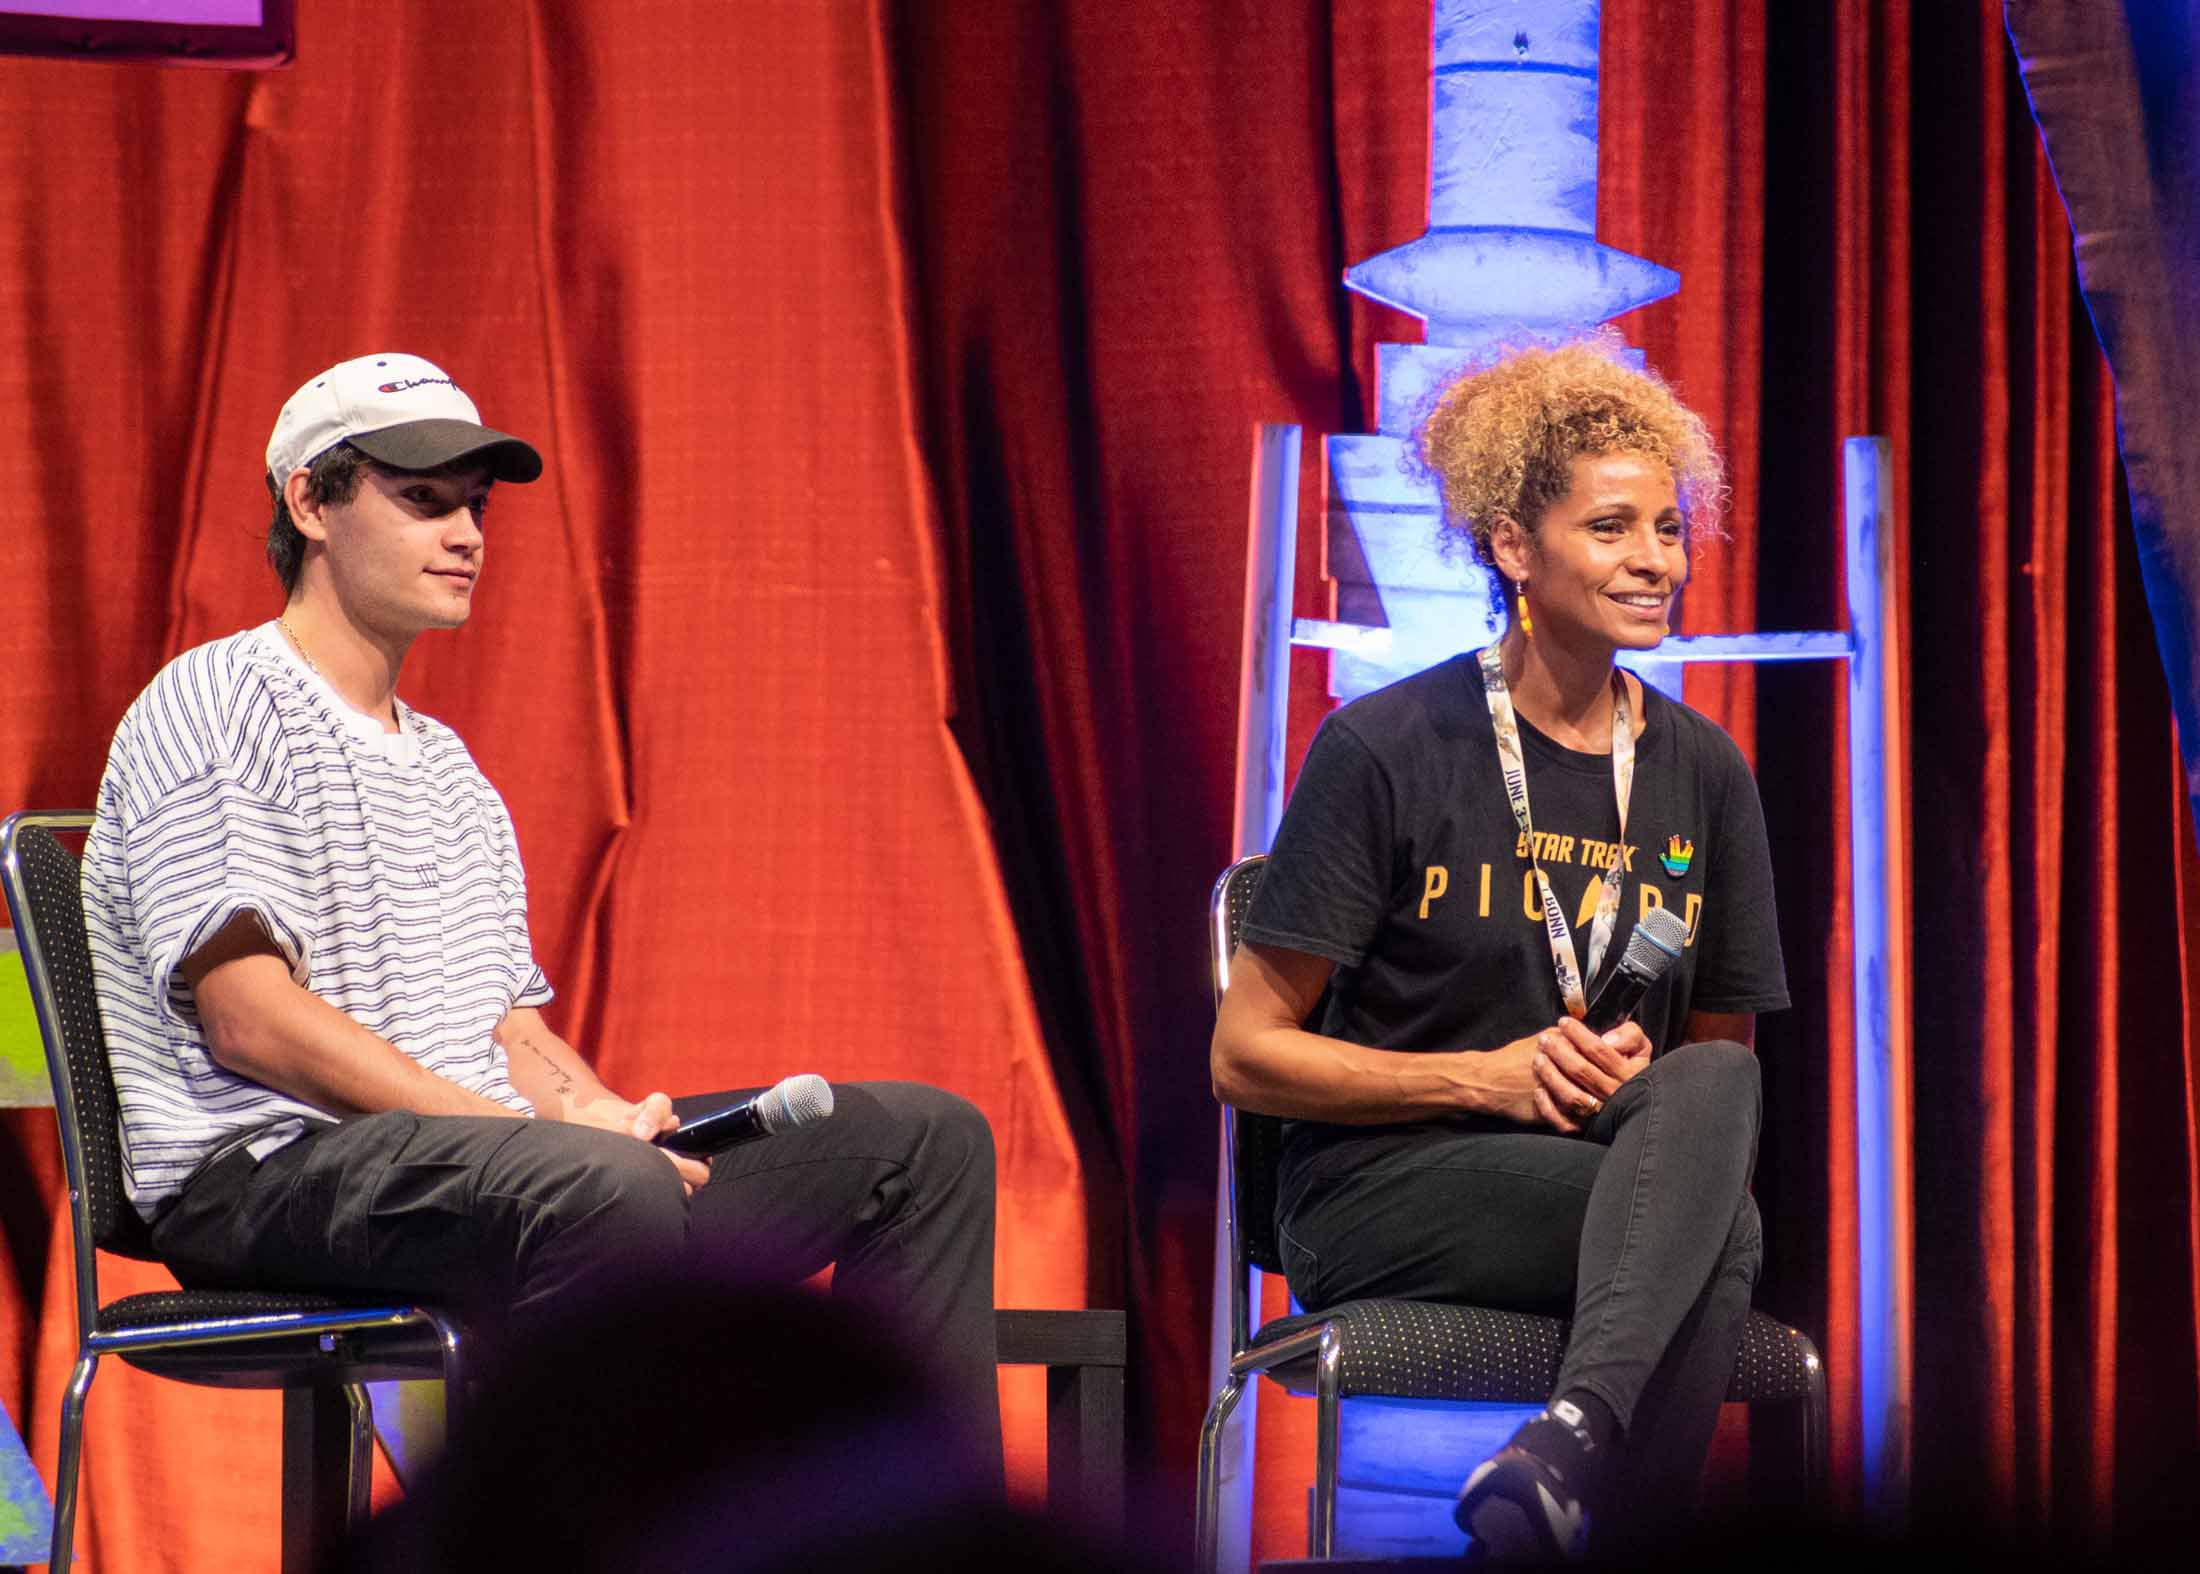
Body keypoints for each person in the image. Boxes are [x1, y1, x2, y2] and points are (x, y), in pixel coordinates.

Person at [81, 353, 1002, 1485]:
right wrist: (537, 1140)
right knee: (598, 1191)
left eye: (475, 506)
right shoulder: (218, 700)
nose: (466, 534)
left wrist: (594, 1111)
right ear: (310, 503)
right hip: (269, 1170)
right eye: (424, 499)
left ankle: (911, 1532)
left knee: (924, 1141)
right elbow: (250, 1021)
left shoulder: (451, 772)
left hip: (471, 1165)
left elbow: (508, 1030)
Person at [1210, 333, 1787, 1560]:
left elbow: (1712, 1070)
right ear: (1514, 545)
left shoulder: (1705, 771)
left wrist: (1620, 1098)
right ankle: (1575, 1485)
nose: (1656, 560)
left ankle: (1559, 1453)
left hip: (1595, 1176)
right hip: (1381, 1180)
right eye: (1611, 528)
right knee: (1714, 1239)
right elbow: (1244, 1055)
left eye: (1669, 528)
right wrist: (1483, 1078)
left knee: (1715, 1098)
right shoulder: (1384, 746)